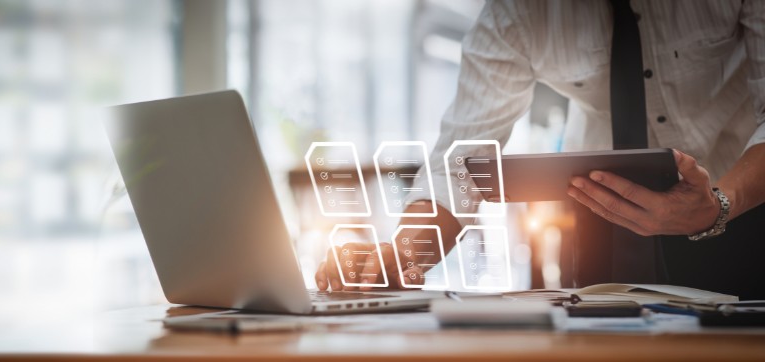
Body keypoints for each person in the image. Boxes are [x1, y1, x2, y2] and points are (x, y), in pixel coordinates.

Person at [315, 0, 765, 299]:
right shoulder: (517, 12)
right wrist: (402, 255)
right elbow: (461, 164)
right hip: (602, 219)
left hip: (745, 197)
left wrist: (719, 204)